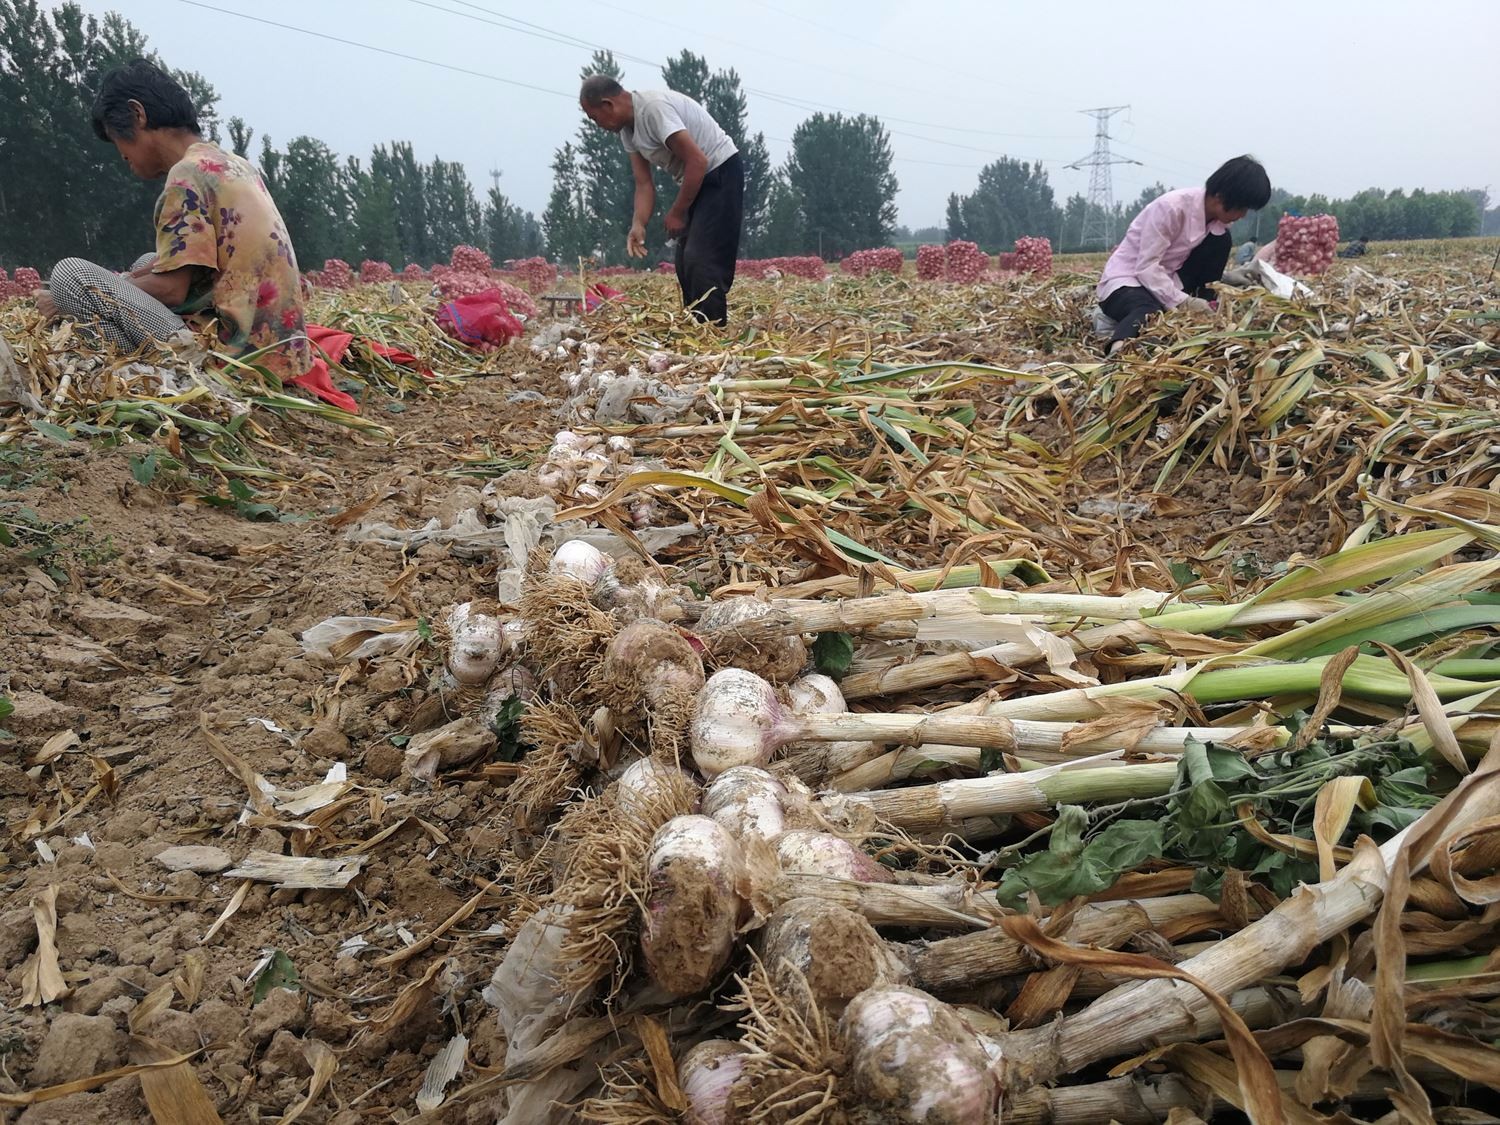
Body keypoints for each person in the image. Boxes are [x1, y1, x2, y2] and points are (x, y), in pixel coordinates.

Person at [35, 60, 309, 382]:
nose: (122, 156)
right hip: (280, 351)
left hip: (232, 362)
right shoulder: (234, 165)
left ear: (138, 115)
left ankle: (157, 372)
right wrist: (127, 279)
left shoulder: (186, 174)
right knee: (149, 261)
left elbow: (172, 290)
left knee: (70, 275)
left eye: (117, 141)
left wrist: (72, 300)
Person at [579, 75, 743, 326]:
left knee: (701, 259)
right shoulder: (628, 131)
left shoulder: (653, 109)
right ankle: (697, 325)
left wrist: (678, 212)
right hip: (696, 179)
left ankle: (714, 333)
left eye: (594, 117)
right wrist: (638, 223)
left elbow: (698, 161)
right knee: (684, 261)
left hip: (719, 171)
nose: (596, 125)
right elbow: (643, 183)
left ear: (608, 104)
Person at [1095, 155, 1271, 354]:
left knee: (1221, 240)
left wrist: (1224, 279)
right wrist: (1185, 302)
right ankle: (1118, 348)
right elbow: (1146, 268)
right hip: (1127, 281)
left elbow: (1200, 263)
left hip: (1167, 280)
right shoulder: (1171, 208)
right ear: (1220, 197)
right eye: (1242, 208)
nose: (1243, 215)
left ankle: (1203, 303)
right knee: (1151, 313)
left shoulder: (1217, 222)